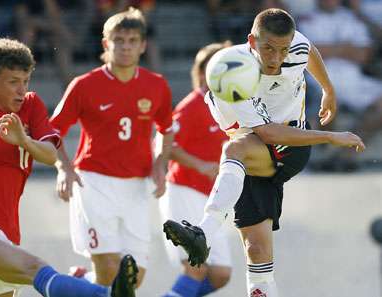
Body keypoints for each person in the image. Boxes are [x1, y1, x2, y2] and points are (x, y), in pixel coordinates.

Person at [162, 8, 365, 297]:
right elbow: (267, 133)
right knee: (256, 252)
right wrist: (332, 137)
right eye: (268, 48)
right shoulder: (235, 76)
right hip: (255, 155)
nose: (275, 58)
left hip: (290, 146)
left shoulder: (296, 45)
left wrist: (328, 89)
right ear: (252, 41)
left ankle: (203, 232)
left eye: (282, 49)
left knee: (234, 147)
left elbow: (310, 52)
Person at [0, 37, 138, 297]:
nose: (21, 90)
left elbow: (50, 155)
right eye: (13, 82)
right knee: (37, 268)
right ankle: (106, 294)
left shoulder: (31, 106)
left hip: (7, 236)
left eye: (25, 81)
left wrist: (23, 140)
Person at [50, 7, 173, 289]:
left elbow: (167, 130)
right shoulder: (84, 85)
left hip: (138, 186)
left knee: (132, 280)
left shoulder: (156, 86)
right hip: (94, 182)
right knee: (107, 268)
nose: (126, 47)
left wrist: (160, 164)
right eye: (119, 40)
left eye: (132, 41)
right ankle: (90, 279)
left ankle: (80, 284)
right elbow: (51, 131)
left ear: (143, 45)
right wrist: (63, 167)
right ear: (106, 44)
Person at [158, 42, 232, 297]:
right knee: (196, 268)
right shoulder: (192, 105)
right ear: (203, 73)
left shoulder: (230, 105)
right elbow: (165, 144)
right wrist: (199, 164)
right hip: (184, 192)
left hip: (211, 200)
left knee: (221, 273)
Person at [299, 0, 382, 171]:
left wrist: (326, 49)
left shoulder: (352, 18)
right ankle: (329, 155)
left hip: (353, 81)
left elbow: (364, 55)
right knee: (325, 102)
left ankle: (346, 154)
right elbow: (305, 55)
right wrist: (346, 48)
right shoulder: (304, 19)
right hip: (318, 81)